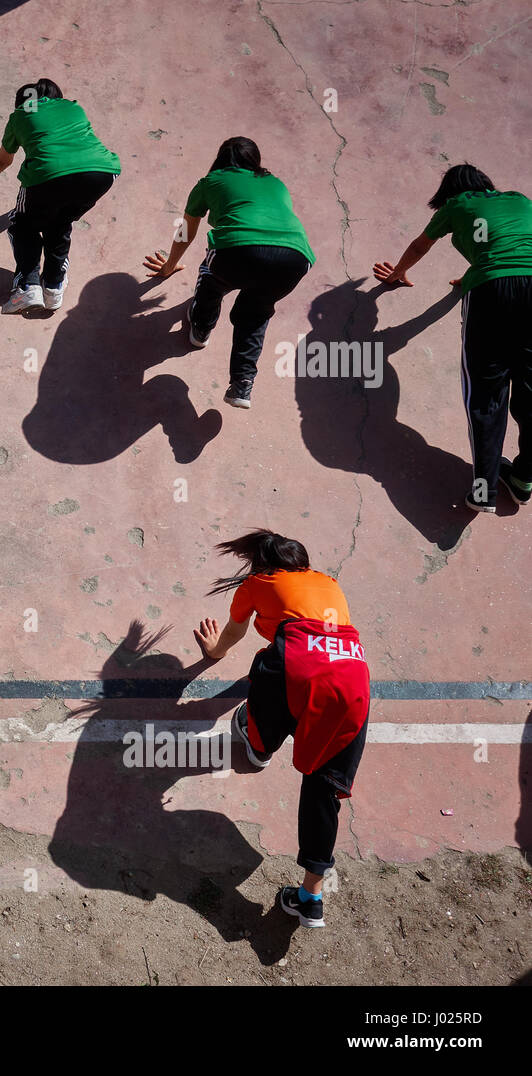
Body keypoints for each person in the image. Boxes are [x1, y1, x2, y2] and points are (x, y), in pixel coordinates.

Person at [194, 529, 370, 929]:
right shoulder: (329, 583)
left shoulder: (259, 583)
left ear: (261, 564)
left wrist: (212, 651)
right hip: (353, 681)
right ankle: (311, 896)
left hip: (296, 668)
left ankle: (258, 742)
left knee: (269, 667)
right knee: (324, 788)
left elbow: (234, 634)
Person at [373, 163, 532, 513]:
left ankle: (483, 491)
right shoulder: (518, 200)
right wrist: (480, 269)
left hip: (491, 290)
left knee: (487, 395)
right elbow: (506, 244)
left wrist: (398, 274)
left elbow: (420, 246)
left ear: (448, 192)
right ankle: (523, 479)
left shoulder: (456, 206)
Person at [144, 136, 314, 409]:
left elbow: (187, 230)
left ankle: (200, 329)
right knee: (255, 312)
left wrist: (169, 266)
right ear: (255, 161)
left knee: (210, 278)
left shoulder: (210, 182)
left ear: (220, 159)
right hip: (296, 257)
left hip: (239, 250)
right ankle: (242, 384)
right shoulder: (277, 184)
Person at [0, 78, 120, 314]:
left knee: (22, 225)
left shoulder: (20, 114)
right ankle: (53, 288)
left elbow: (5, 159)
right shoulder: (74, 107)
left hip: (48, 175)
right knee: (60, 221)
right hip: (102, 172)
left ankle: (28, 286)